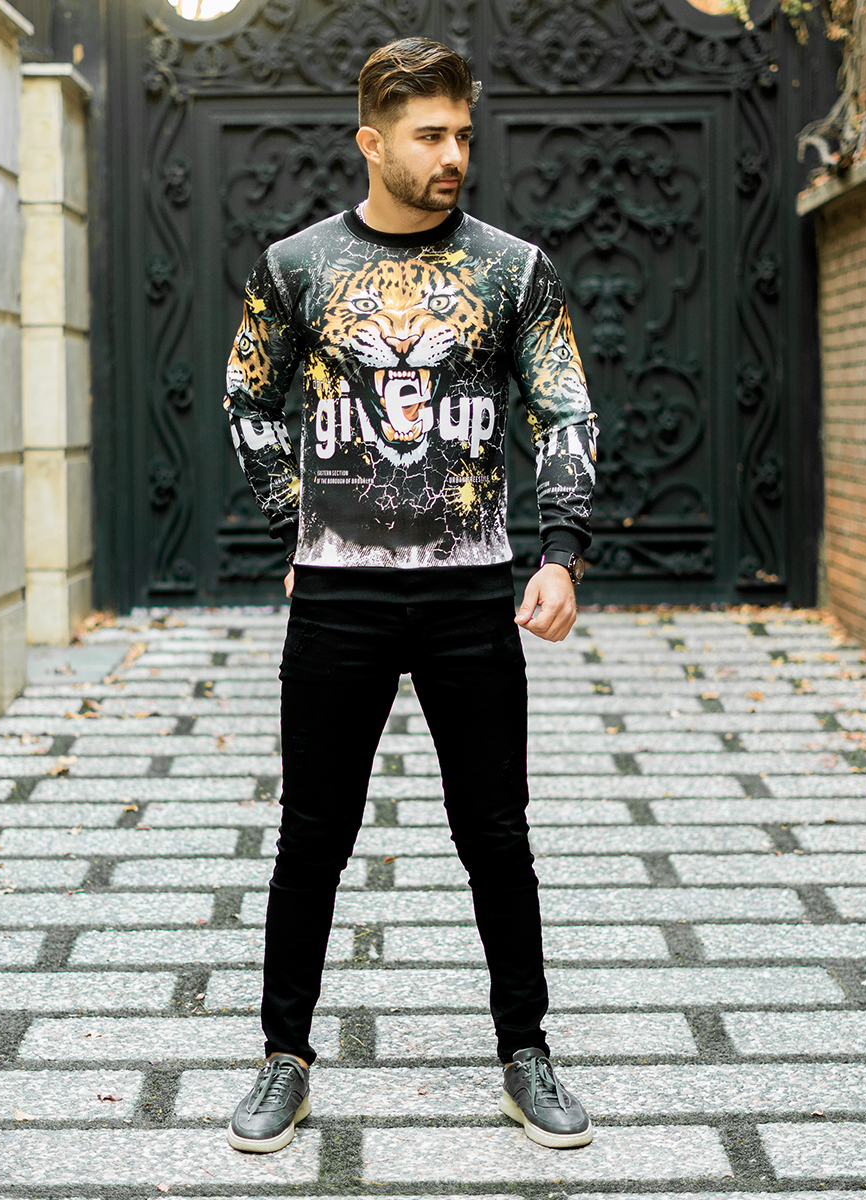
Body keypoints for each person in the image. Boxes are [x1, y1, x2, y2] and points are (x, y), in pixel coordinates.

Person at [221, 36, 598, 1154]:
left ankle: (525, 1051)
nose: (453, 155)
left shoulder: (513, 270)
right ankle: (284, 1058)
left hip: (470, 592)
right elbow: (247, 399)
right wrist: (295, 523)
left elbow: (565, 410)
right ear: (371, 142)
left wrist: (562, 553)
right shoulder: (296, 266)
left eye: (463, 135)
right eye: (430, 136)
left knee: (496, 834)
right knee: (312, 836)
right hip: (338, 596)